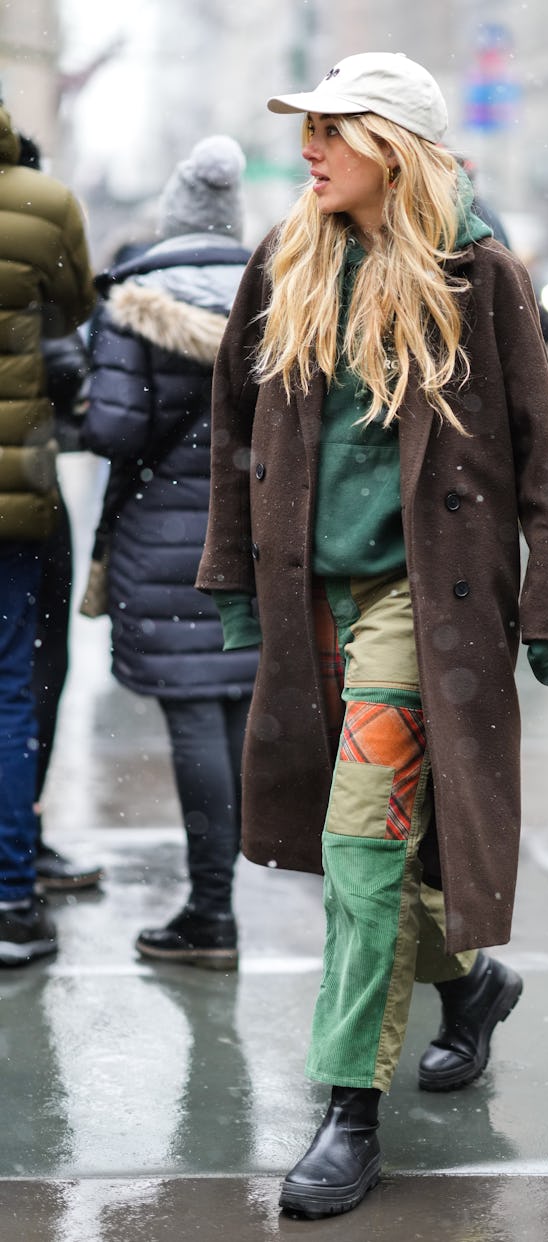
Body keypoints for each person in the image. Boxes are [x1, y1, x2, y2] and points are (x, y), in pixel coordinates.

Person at [195, 52, 548, 1217]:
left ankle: (346, 1112)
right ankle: (469, 988)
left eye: (334, 128)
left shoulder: (480, 276)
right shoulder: (285, 266)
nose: (309, 147)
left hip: (423, 602)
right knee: (357, 843)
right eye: (306, 128)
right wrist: (233, 582)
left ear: (395, 145)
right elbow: (236, 432)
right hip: (307, 602)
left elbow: (539, 447)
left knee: (363, 847)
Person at [82, 136, 258, 969]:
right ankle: (219, 901)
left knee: (194, 716)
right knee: (231, 710)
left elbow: (113, 432)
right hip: (258, 537)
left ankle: (212, 913)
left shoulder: (138, 301)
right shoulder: (280, 297)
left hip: (166, 544)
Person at [0, 103, 96, 966]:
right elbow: (74, 318)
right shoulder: (45, 202)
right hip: (16, 496)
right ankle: (10, 891)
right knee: (14, 684)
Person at [16, 130, 104, 892]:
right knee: (31, 678)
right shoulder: (41, 230)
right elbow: (73, 360)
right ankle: (22, 850)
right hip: (24, 497)